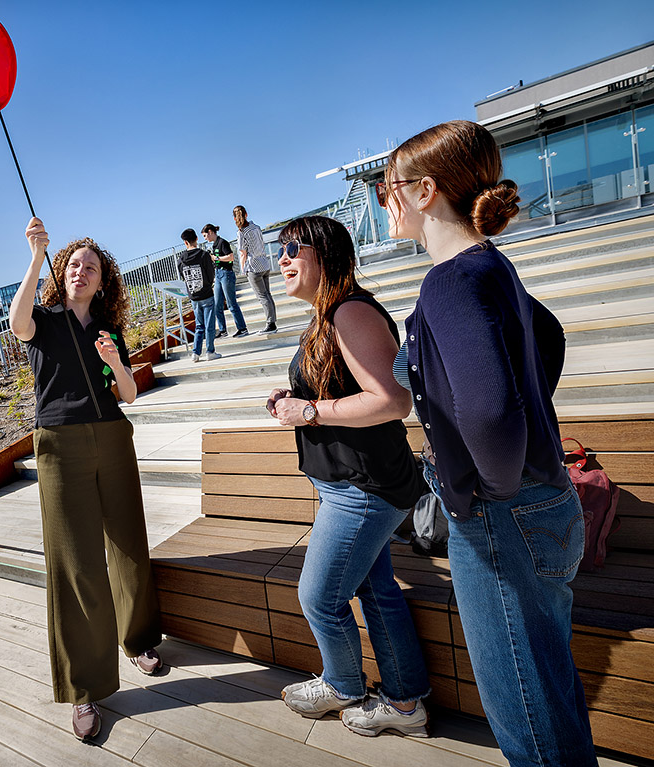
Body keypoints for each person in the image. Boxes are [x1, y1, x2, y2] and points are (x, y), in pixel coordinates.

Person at [381, 120, 596, 767]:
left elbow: (490, 408)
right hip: (544, 505)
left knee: (529, 721)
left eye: (387, 187)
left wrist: (485, 494)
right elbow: (549, 338)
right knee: (549, 696)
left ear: (423, 191)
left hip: (504, 517)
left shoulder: (447, 280)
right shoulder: (489, 265)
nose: (381, 201)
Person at [265, 215, 431, 737]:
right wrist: (294, 401)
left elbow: (392, 400)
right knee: (376, 588)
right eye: (280, 249)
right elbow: (344, 389)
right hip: (354, 485)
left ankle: (342, 684)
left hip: (363, 491)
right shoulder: (329, 315)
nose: (282, 258)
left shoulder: (349, 311)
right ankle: (405, 706)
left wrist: (310, 413)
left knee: (319, 597)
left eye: (294, 248)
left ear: (327, 255)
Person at [10, 217, 164, 743]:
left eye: (91, 268)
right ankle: (84, 689)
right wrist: (37, 255)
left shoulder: (106, 330)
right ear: (62, 273)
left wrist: (116, 360)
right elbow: (17, 323)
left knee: (128, 547)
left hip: (112, 437)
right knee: (75, 565)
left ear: (103, 282)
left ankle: (137, 639)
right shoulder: (43, 319)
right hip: (59, 445)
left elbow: (129, 395)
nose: (81, 272)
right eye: (73, 265)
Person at [177, 228, 222, 362]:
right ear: (196, 239)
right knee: (209, 325)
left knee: (199, 325)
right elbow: (211, 274)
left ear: (185, 242)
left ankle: (195, 353)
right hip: (206, 293)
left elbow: (183, 276)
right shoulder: (203, 255)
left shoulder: (180, 260)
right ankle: (210, 351)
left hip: (193, 296)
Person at [233, 205, 277, 334]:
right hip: (264, 264)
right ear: (246, 214)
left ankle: (271, 324)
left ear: (235, 218)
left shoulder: (241, 232)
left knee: (262, 296)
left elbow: (243, 253)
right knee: (267, 294)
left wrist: (243, 269)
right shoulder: (256, 228)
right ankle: (272, 322)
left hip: (253, 266)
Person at [201, 223, 248, 338]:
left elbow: (230, 257)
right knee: (217, 304)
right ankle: (222, 330)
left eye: (205, 235)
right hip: (218, 274)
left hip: (226, 273)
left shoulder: (223, 242)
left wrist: (215, 258)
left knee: (231, 303)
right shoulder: (214, 245)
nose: (205, 238)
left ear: (211, 232)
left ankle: (242, 328)